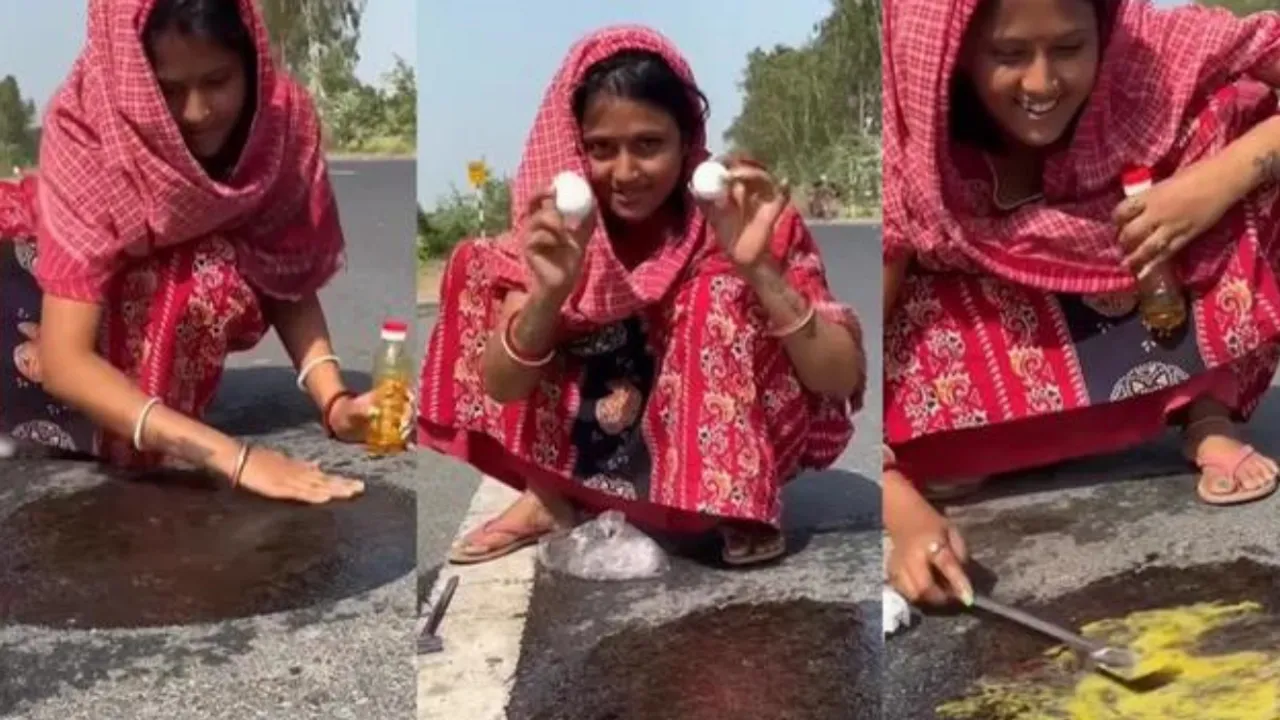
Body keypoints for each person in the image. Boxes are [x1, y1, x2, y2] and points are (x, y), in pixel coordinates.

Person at [418, 25, 866, 567]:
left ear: (688, 145)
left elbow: (837, 378)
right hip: (609, 429)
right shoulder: (561, 232)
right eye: (602, 150)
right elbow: (502, 386)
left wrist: (760, 270)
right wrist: (550, 293)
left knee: (719, 294)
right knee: (477, 263)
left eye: (649, 145)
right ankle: (551, 496)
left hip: (709, 471)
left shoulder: (742, 218)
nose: (625, 174)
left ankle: (731, 503)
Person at [883, 0, 1280, 606]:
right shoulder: (911, 124)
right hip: (973, 392)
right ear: (955, 51)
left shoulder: (1150, 48)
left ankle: (1203, 407)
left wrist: (1214, 182)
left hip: (1138, 296)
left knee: (1242, 120)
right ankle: (987, 446)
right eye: (1008, 55)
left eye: (1069, 49)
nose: (1042, 84)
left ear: (1105, 27)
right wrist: (896, 506)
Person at [0, 0, 376, 504]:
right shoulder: (85, 127)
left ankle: (150, 423)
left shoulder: (279, 124)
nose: (197, 113)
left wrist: (336, 404)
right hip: (37, 319)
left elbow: (281, 267)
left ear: (251, 60)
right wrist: (233, 457)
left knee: (211, 265)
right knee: (196, 269)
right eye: (169, 90)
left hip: (119, 331)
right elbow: (63, 360)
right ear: (133, 75)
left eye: (218, 82)